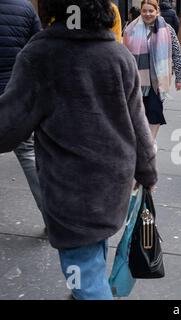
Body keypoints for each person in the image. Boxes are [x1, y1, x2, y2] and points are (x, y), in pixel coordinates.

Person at [0, 0, 158, 300]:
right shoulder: (119, 55)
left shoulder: (41, 56)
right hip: (113, 186)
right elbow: (140, 127)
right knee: (92, 256)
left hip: (71, 193)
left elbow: (7, 129)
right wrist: (148, 172)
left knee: (85, 278)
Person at [0, 0, 43, 216]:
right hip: (14, 91)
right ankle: (51, 215)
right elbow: (38, 48)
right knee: (28, 152)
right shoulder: (25, 8)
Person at [124, 0, 181, 144]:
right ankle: (142, 141)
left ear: (157, 11)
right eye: (144, 11)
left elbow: (177, 53)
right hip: (137, 80)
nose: (147, 14)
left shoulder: (167, 29)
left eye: (151, 11)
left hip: (157, 80)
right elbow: (123, 55)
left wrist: (179, 77)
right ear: (141, 11)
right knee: (137, 113)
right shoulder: (130, 29)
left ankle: (150, 143)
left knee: (155, 111)